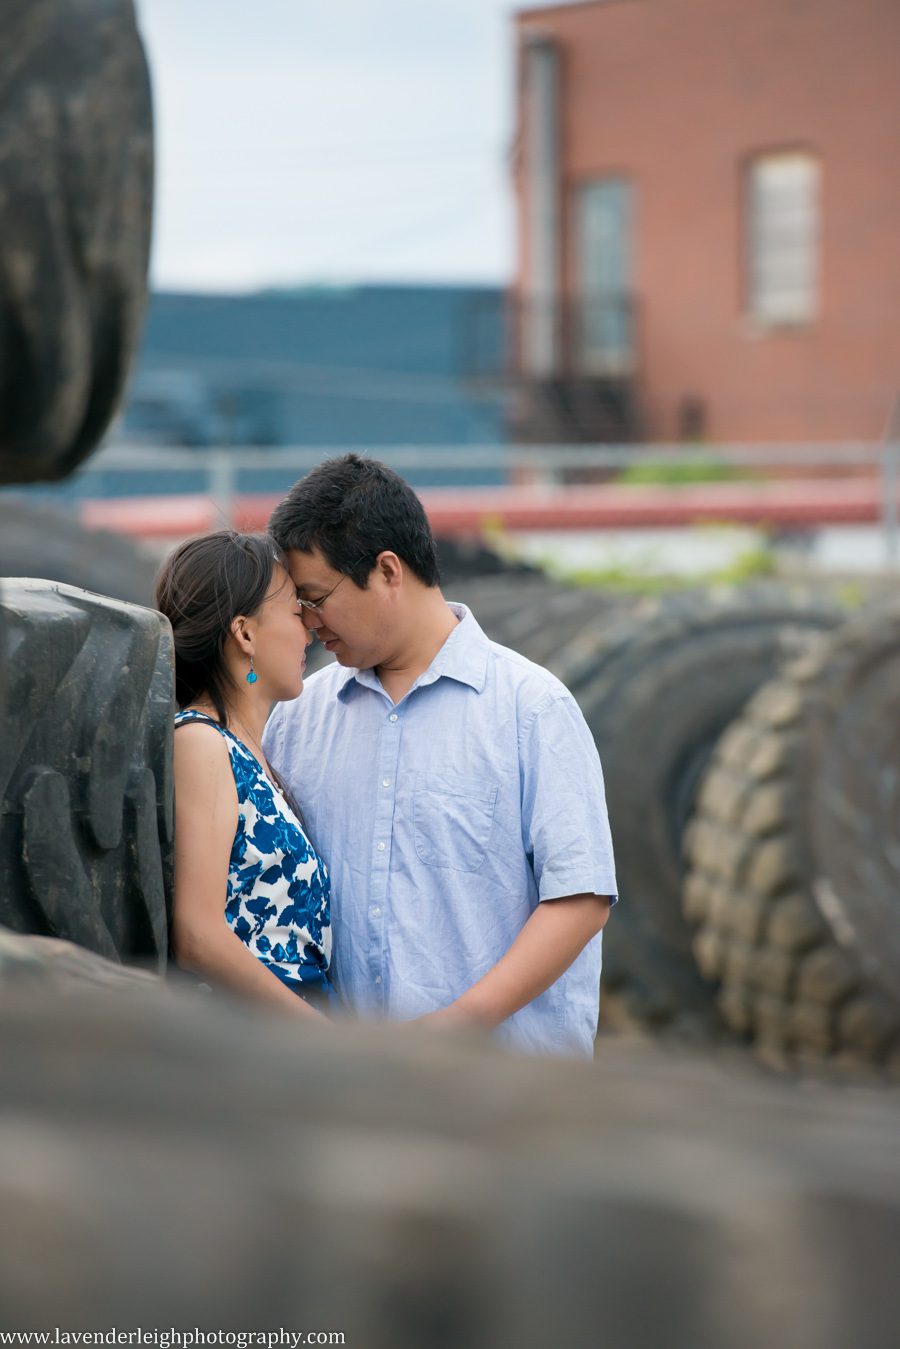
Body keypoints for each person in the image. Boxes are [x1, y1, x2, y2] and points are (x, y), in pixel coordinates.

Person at [263, 455, 617, 1056]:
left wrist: (455, 1027)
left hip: (509, 1090)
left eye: (316, 597)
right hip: (354, 1088)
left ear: (387, 571)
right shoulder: (298, 717)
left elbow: (579, 898)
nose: (308, 621)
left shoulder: (530, 708)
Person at [155, 530, 331, 1019]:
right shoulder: (201, 743)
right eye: (297, 612)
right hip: (250, 1047)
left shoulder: (250, 752)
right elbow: (198, 934)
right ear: (245, 633)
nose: (310, 629)